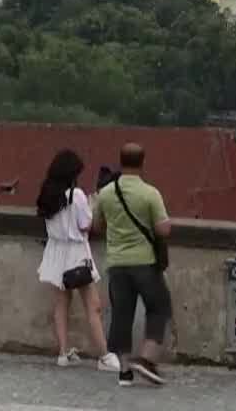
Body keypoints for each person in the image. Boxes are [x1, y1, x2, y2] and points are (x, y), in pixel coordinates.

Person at [91, 142, 171, 388]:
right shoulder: (150, 193)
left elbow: (96, 226)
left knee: (122, 316)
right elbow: (163, 229)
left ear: (121, 161)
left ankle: (124, 372)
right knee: (160, 307)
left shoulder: (106, 193)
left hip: (116, 264)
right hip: (144, 263)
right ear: (142, 162)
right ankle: (146, 358)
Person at [34, 149, 115, 373]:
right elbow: (85, 225)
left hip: (55, 251)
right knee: (93, 305)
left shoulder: (47, 193)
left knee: (61, 304)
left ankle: (63, 353)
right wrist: (91, 206)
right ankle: (104, 355)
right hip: (76, 252)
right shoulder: (76, 195)